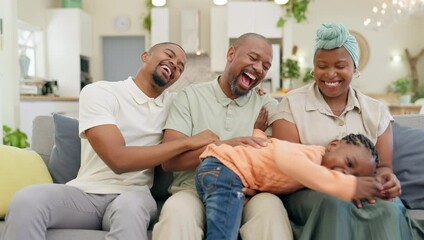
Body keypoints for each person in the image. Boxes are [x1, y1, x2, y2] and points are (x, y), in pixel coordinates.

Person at [1, 42, 218, 240]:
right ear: (145, 56)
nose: (175, 64)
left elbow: (214, 96)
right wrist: (187, 143)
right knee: (26, 200)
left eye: (181, 66)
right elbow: (118, 160)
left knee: (130, 211)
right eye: (169, 55)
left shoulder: (176, 105)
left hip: (134, 195)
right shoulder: (100, 92)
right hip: (84, 194)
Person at [269, 23, 412, 240]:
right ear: (313, 67)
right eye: (322, 66)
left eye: (340, 65)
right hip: (309, 192)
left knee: (390, 209)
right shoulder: (291, 104)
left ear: (355, 68)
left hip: (365, 190)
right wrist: (342, 186)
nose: (330, 73)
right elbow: (288, 170)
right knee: (335, 203)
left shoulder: (376, 110)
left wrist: (387, 181)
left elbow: (384, 167)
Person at [152, 33, 292, 240]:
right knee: (177, 211)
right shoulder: (190, 97)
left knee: (271, 208)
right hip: (192, 191)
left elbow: (277, 161)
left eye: (265, 66)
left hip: (248, 194)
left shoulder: (268, 106)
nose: (258, 68)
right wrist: (225, 147)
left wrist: (254, 186)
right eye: (253, 58)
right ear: (231, 54)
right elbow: (169, 162)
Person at [196, 131, 383, 240]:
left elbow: (264, 150)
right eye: (349, 164)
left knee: (225, 227)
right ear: (333, 145)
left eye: (355, 176)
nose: (345, 174)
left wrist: (258, 131)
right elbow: (286, 161)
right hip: (223, 168)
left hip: (224, 174)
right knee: (222, 233)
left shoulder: (315, 174)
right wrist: (349, 186)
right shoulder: (311, 155)